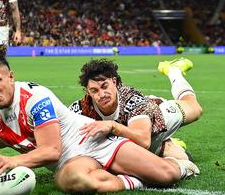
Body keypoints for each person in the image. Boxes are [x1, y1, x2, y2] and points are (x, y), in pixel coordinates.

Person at [0, 46, 199, 195]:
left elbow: (51, 150)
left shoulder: (35, 97)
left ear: (11, 77)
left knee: (167, 174)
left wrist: (13, 161)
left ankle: (179, 157)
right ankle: (135, 179)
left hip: (103, 139)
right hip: (73, 160)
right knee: (75, 181)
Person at [70, 58, 203, 160]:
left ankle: (173, 71)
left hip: (157, 114)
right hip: (136, 137)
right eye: (94, 91)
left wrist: (113, 126)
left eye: (104, 86)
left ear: (114, 82)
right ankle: (166, 143)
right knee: (185, 158)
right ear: (88, 92)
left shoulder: (132, 100)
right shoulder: (81, 108)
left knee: (195, 108)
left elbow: (143, 141)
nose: (101, 94)